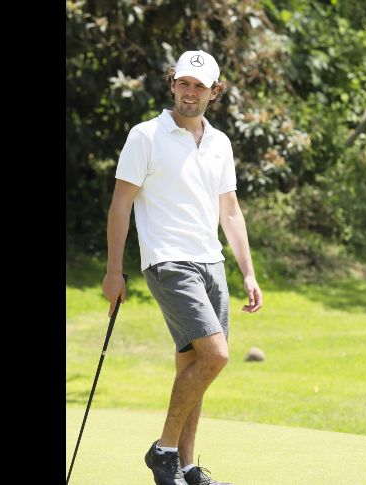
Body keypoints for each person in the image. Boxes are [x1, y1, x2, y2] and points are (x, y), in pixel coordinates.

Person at [102, 50, 263, 485]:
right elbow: (121, 203)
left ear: (215, 91)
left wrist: (247, 272)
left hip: (211, 262)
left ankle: (186, 469)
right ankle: (163, 450)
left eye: (200, 86)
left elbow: (229, 211)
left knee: (193, 367)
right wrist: (113, 270)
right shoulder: (145, 136)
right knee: (216, 355)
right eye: (183, 83)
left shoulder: (220, 143)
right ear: (173, 84)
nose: (190, 93)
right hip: (168, 261)